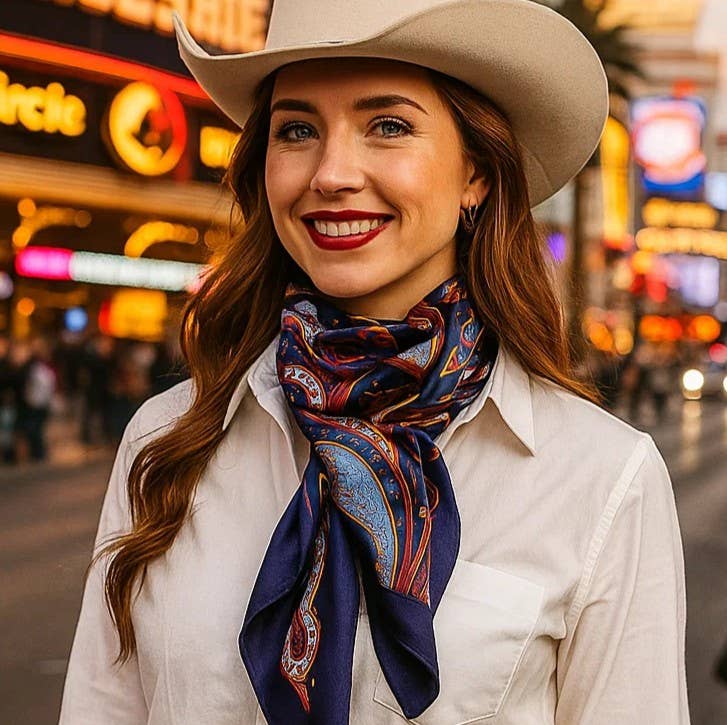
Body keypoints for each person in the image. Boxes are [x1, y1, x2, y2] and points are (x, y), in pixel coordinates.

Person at [60, 1, 690, 723]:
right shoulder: (166, 440)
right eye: (296, 129)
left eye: (386, 125)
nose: (330, 173)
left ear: (476, 172)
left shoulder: (599, 476)